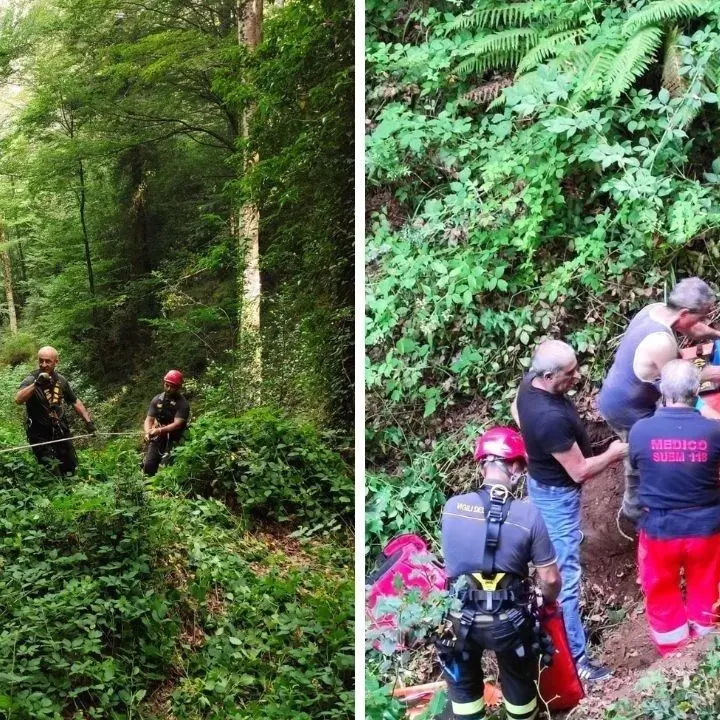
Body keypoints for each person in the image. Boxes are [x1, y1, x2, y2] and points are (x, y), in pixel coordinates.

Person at [512, 339, 627, 682]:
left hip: (543, 485)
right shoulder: (548, 418)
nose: (578, 376)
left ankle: (559, 637)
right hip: (557, 497)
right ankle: (578, 662)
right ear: (547, 375)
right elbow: (578, 471)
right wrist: (613, 454)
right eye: (570, 372)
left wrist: (534, 450)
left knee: (558, 562)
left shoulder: (528, 387)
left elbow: (517, 412)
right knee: (566, 580)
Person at [440, 427, 562, 720]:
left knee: (465, 701)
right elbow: (550, 579)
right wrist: (546, 604)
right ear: (516, 466)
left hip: (459, 622)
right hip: (509, 623)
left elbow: (454, 565)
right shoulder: (528, 515)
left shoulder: (452, 507)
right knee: (520, 693)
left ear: (482, 464)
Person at [597, 278, 720, 538]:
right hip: (627, 408)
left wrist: (717, 335)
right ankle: (635, 514)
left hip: (619, 391)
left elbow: (693, 329)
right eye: (703, 315)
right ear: (685, 312)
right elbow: (684, 380)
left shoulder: (654, 310)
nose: (704, 321)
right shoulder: (661, 342)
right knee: (640, 458)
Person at [629, 359, 720, 654]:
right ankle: (705, 653)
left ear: (663, 392)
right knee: (706, 588)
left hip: (659, 530)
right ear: (696, 392)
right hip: (705, 529)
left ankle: (673, 657)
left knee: (661, 591)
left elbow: (637, 469)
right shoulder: (713, 431)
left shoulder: (640, 431)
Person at [14, 346, 95, 475]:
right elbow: (18, 399)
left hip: (61, 431)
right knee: (52, 474)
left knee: (71, 470)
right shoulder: (31, 379)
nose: (43, 364)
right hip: (40, 435)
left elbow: (74, 401)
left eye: (48, 361)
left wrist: (88, 422)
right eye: (41, 361)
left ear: (56, 362)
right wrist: (36, 384)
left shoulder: (61, 381)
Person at [142, 369, 190, 476]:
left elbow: (177, 424)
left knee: (169, 467)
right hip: (159, 437)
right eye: (166, 385)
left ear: (178, 387)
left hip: (176, 438)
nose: (168, 388)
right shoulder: (157, 399)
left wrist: (159, 430)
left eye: (172, 386)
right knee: (149, 465)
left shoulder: (183, 404)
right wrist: (147, 432)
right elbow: (149, 419)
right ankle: (146, 487)